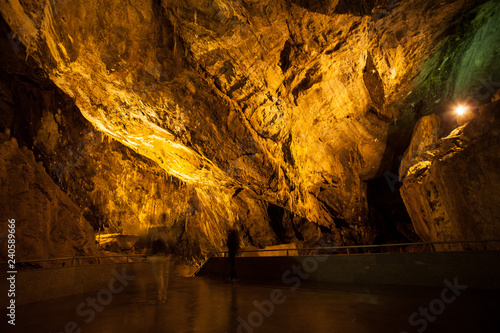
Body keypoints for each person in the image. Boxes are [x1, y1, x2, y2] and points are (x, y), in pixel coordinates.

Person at [148, 231, 170, 303]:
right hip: (164, 259)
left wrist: (150, 257)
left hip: (157, 259)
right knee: (164, 277)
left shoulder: (156, 241)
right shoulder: (164, 241)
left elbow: (153, 251)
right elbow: (167, 251)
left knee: (159, 277)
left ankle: (160, 296)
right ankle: (164, 295)